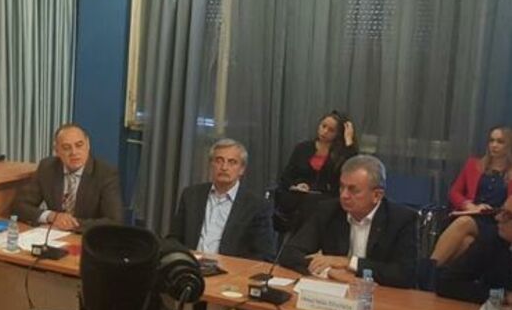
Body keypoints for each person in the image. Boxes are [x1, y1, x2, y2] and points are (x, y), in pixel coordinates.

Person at [280, 154, 418, 288]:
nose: (344, 195)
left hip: (380, 294)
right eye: (342, 187)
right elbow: (290, 253)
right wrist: (329, 271)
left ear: (377, 195)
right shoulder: (328, 211)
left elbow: (404, 274)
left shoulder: (401, 219)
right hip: (335, 291)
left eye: (353, 190)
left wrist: (349, 263)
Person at [433, 126, 512, 266]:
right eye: (491, 140)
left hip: (498, 222)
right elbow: (454, 192)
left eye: (500, 142)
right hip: (473, 214)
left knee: (464, 223)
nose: (494, 145)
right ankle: (436, 273)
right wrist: (471, 206)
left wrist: (500, 212)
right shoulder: (473, 164)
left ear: (510, 146)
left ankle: (428, 269)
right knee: (467, 241)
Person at [167, 138, 275, 261]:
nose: (224, 167)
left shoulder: (257, 206)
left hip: (229, 270)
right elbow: (174, 239)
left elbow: (264, 254)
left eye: (232, 162)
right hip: (191, 266)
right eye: (219, 161)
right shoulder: (191, 195)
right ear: (211, 165)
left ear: (242, 169)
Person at [436, 190, 512, 309]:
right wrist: (505, 296)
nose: (497, 218)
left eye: (508, 216)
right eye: (500, 211)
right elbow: (447, 283)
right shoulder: (494, 239)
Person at [11, 123, 123, 233]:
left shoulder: (105, 173)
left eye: (79, 145)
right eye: (66, 148)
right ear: (57, 151)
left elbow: (114, 221)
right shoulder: (47, 168)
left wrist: (71, 224)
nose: (74, 152)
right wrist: (51, 216)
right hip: (54, 235)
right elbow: (19, 206)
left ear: (88, 145)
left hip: (88, 236)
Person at [279, 110, 359, 195]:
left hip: (329, 199)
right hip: (300, 197)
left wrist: (348, 141)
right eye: (323, 126)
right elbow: (286, 177)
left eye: (331, 130)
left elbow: (352, 171)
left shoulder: (341, 153)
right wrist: (295, 186)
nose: (325, 132)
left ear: (338, 134)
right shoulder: (303, 148)